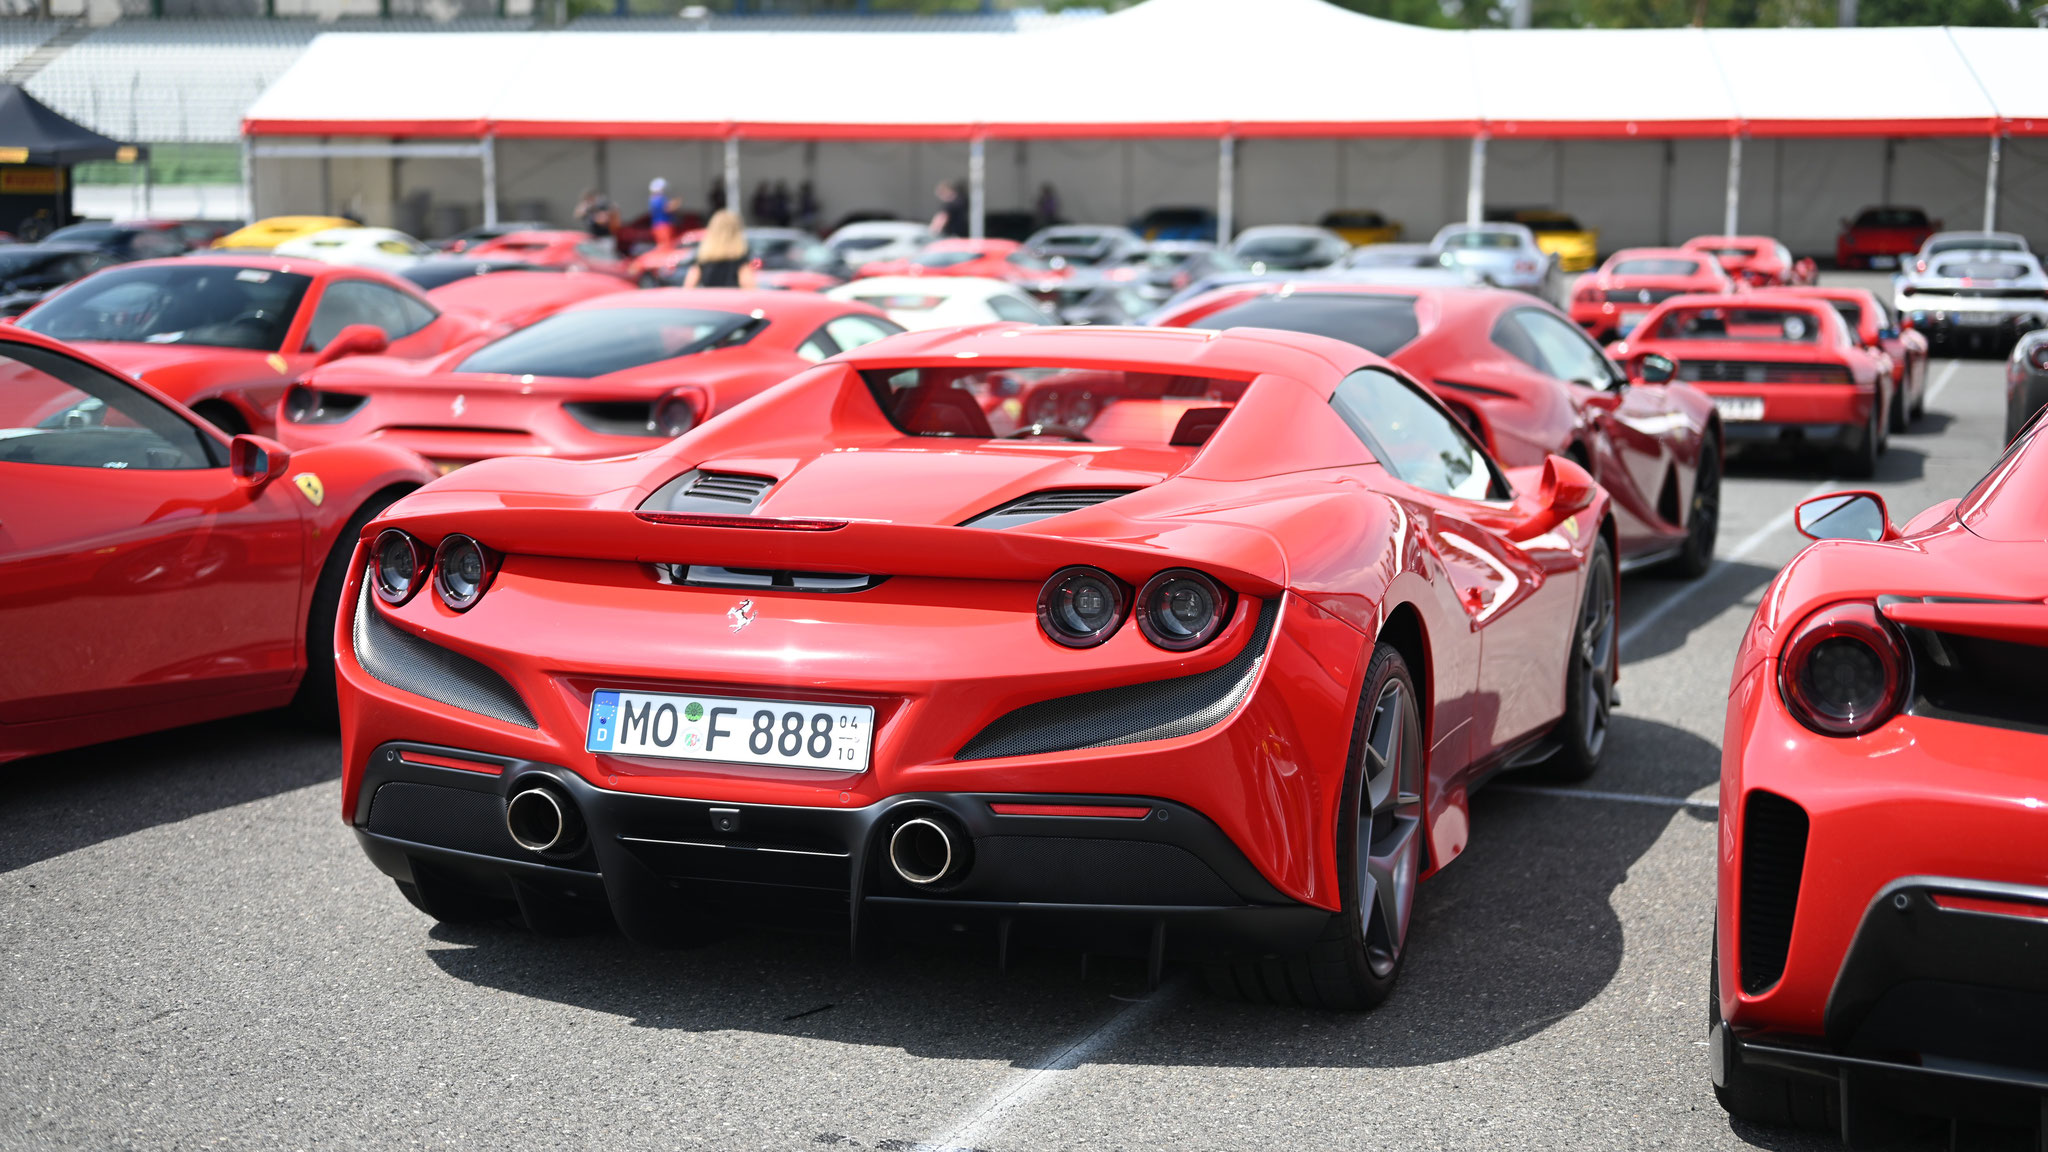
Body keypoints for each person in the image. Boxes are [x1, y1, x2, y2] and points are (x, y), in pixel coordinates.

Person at [684, 209, 757, 289]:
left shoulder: (702, 257)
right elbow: (748, 286)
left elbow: (688, 287)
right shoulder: (740, 256)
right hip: (733, 300)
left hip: (709, 300)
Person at [649, 177, 674, 248]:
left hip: (659, 225)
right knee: (665, 246)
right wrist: (673, 205)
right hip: (662, 225)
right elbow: (666, 209)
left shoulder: (654, 198)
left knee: (663, 245)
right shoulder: (658, 198)